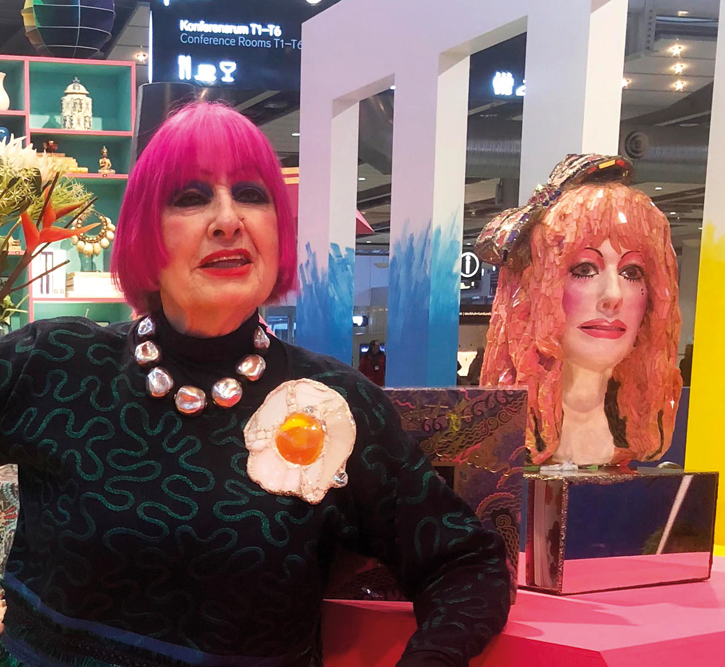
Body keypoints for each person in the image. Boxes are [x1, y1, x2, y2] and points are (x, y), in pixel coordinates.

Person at [0, 103, 509, 667]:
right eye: (191, 198)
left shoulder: (337, 400)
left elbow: (465, 563)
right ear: (146, 230)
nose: (227, 220)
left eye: (250, 194)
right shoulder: (54, 363)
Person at [478, 154, 681, 466]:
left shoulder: (637, 430)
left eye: (632, 273)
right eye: (585, 269)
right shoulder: (505, 432)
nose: (613, 296)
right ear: (535, 290)